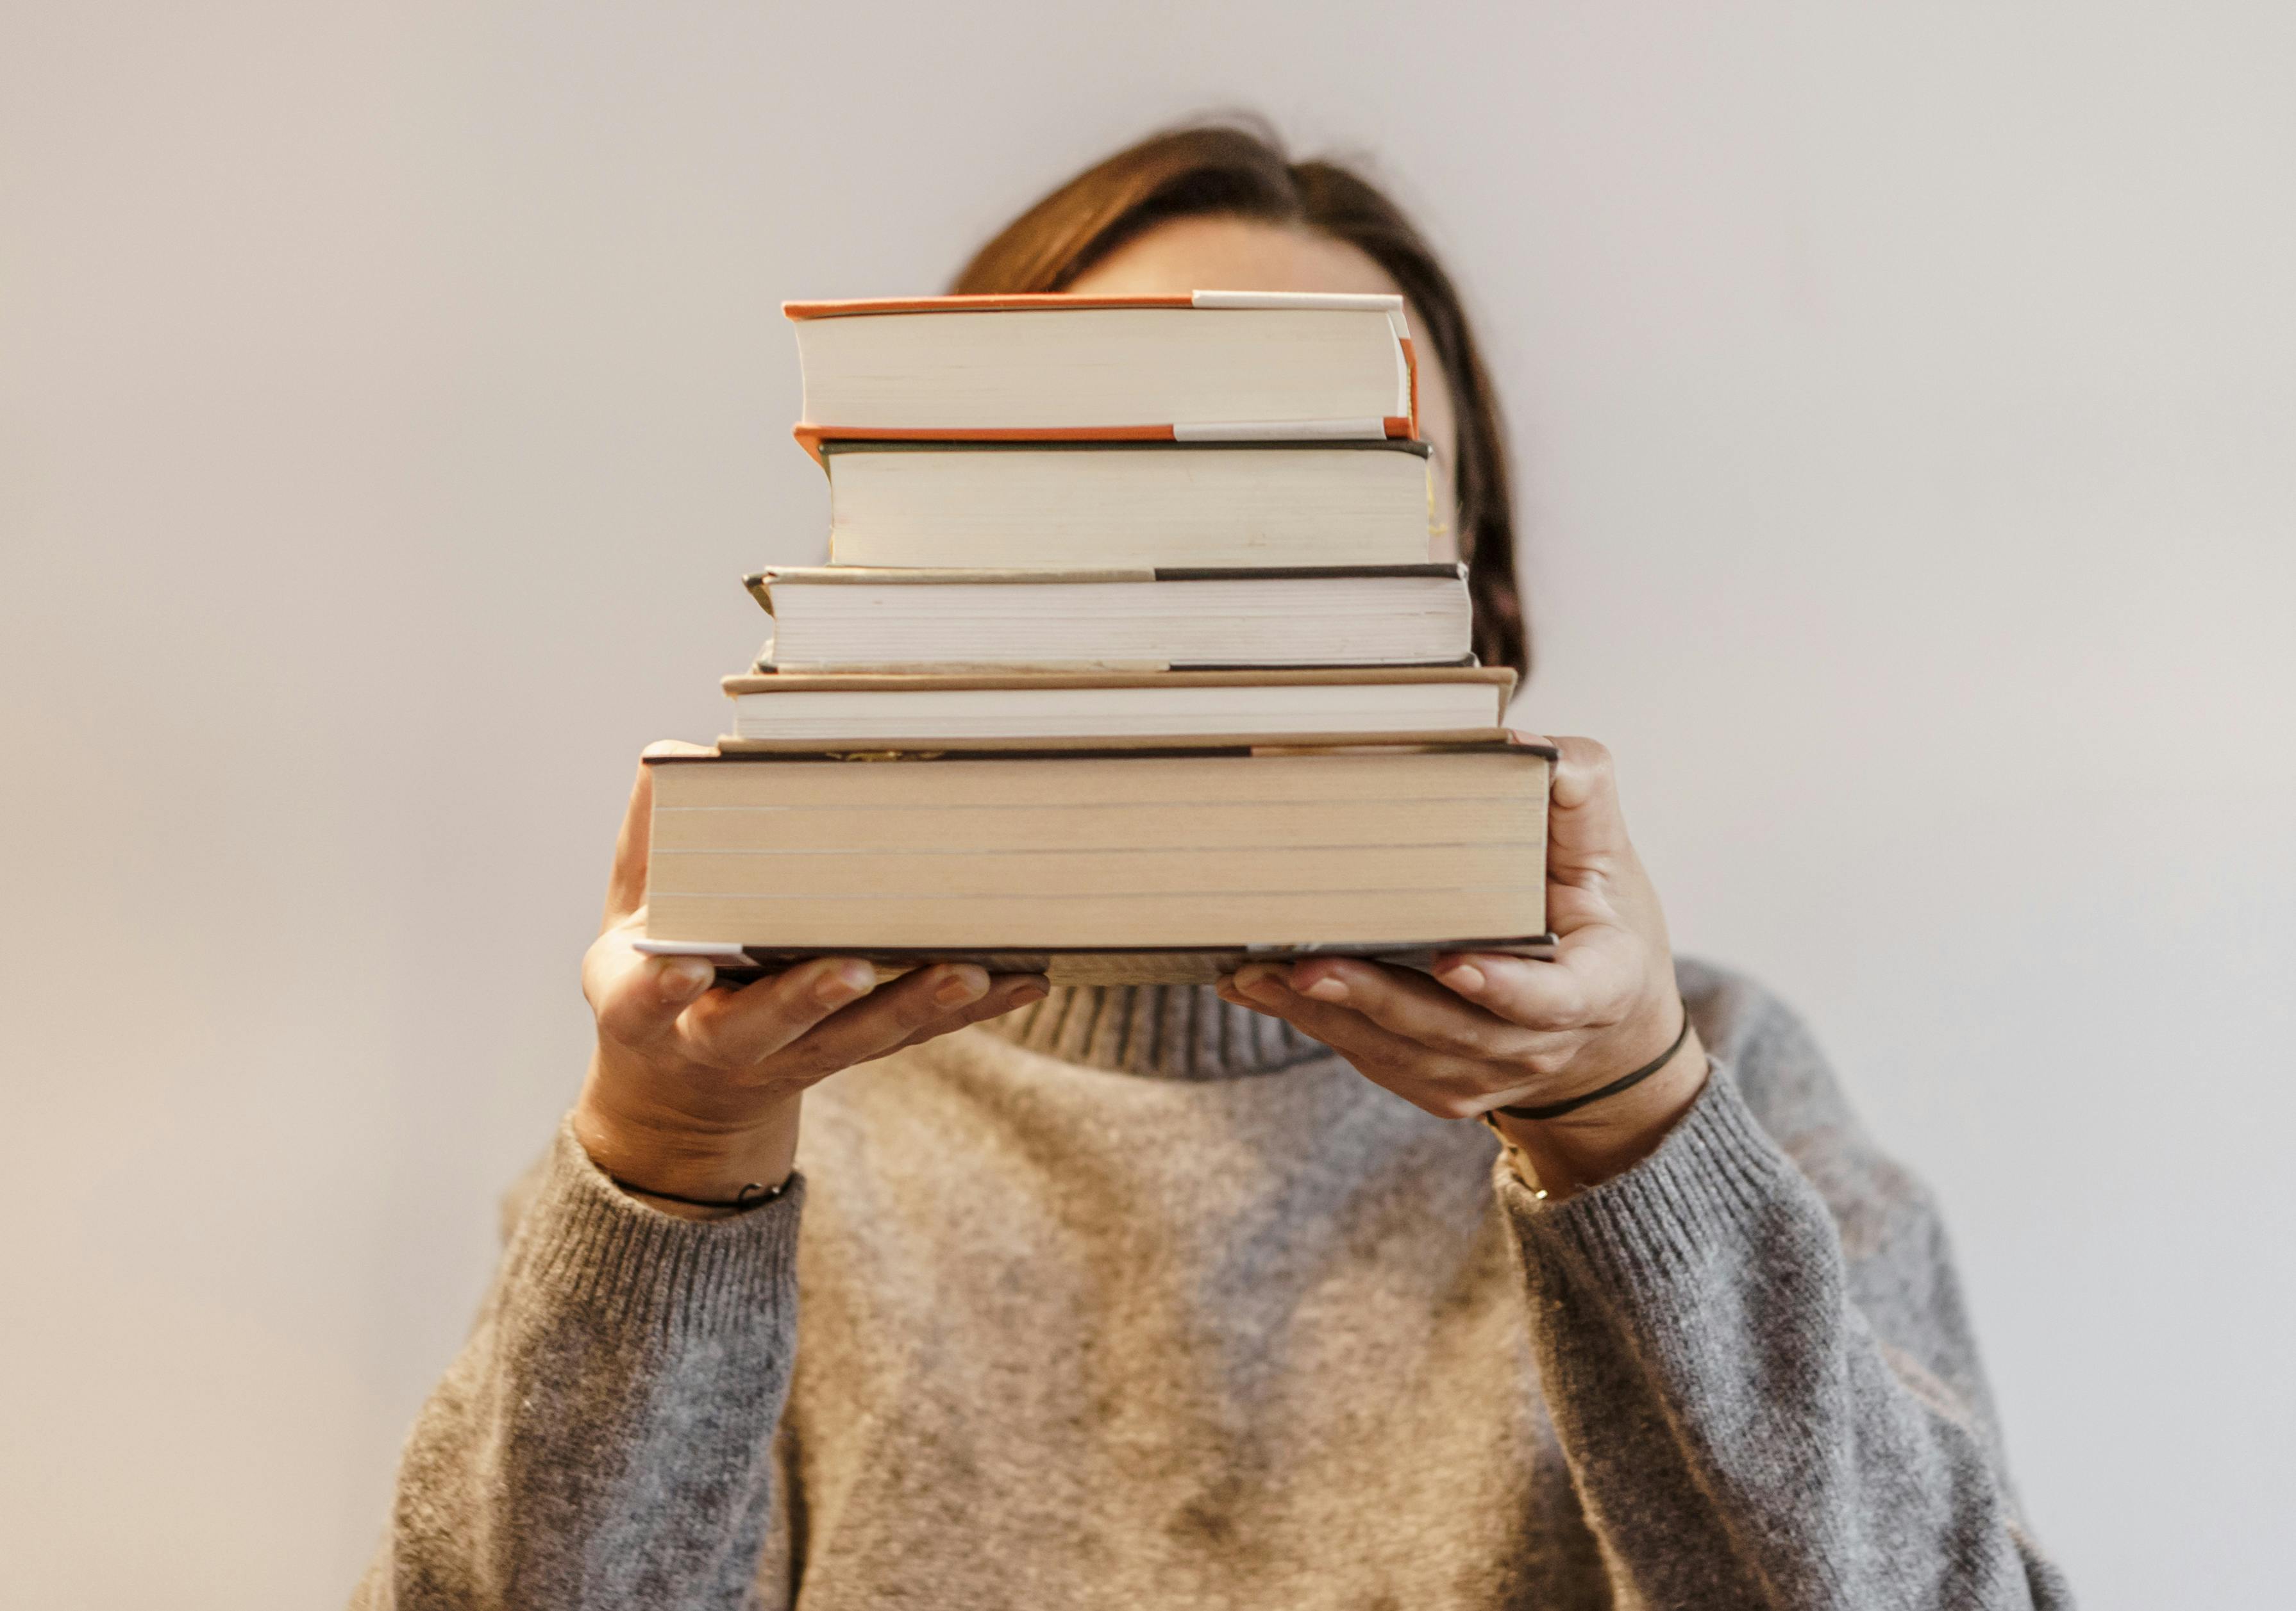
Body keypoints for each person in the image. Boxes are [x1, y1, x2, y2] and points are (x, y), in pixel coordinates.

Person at [356, 124, 2071, 1610]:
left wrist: (1630, 1131)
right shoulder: (767, 1117)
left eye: (1320, 496)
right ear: (933, 591)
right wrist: (667, 1169)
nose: (1205, 605)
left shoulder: (1721, 1088)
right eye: (1106, 488)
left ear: (1481, 621)